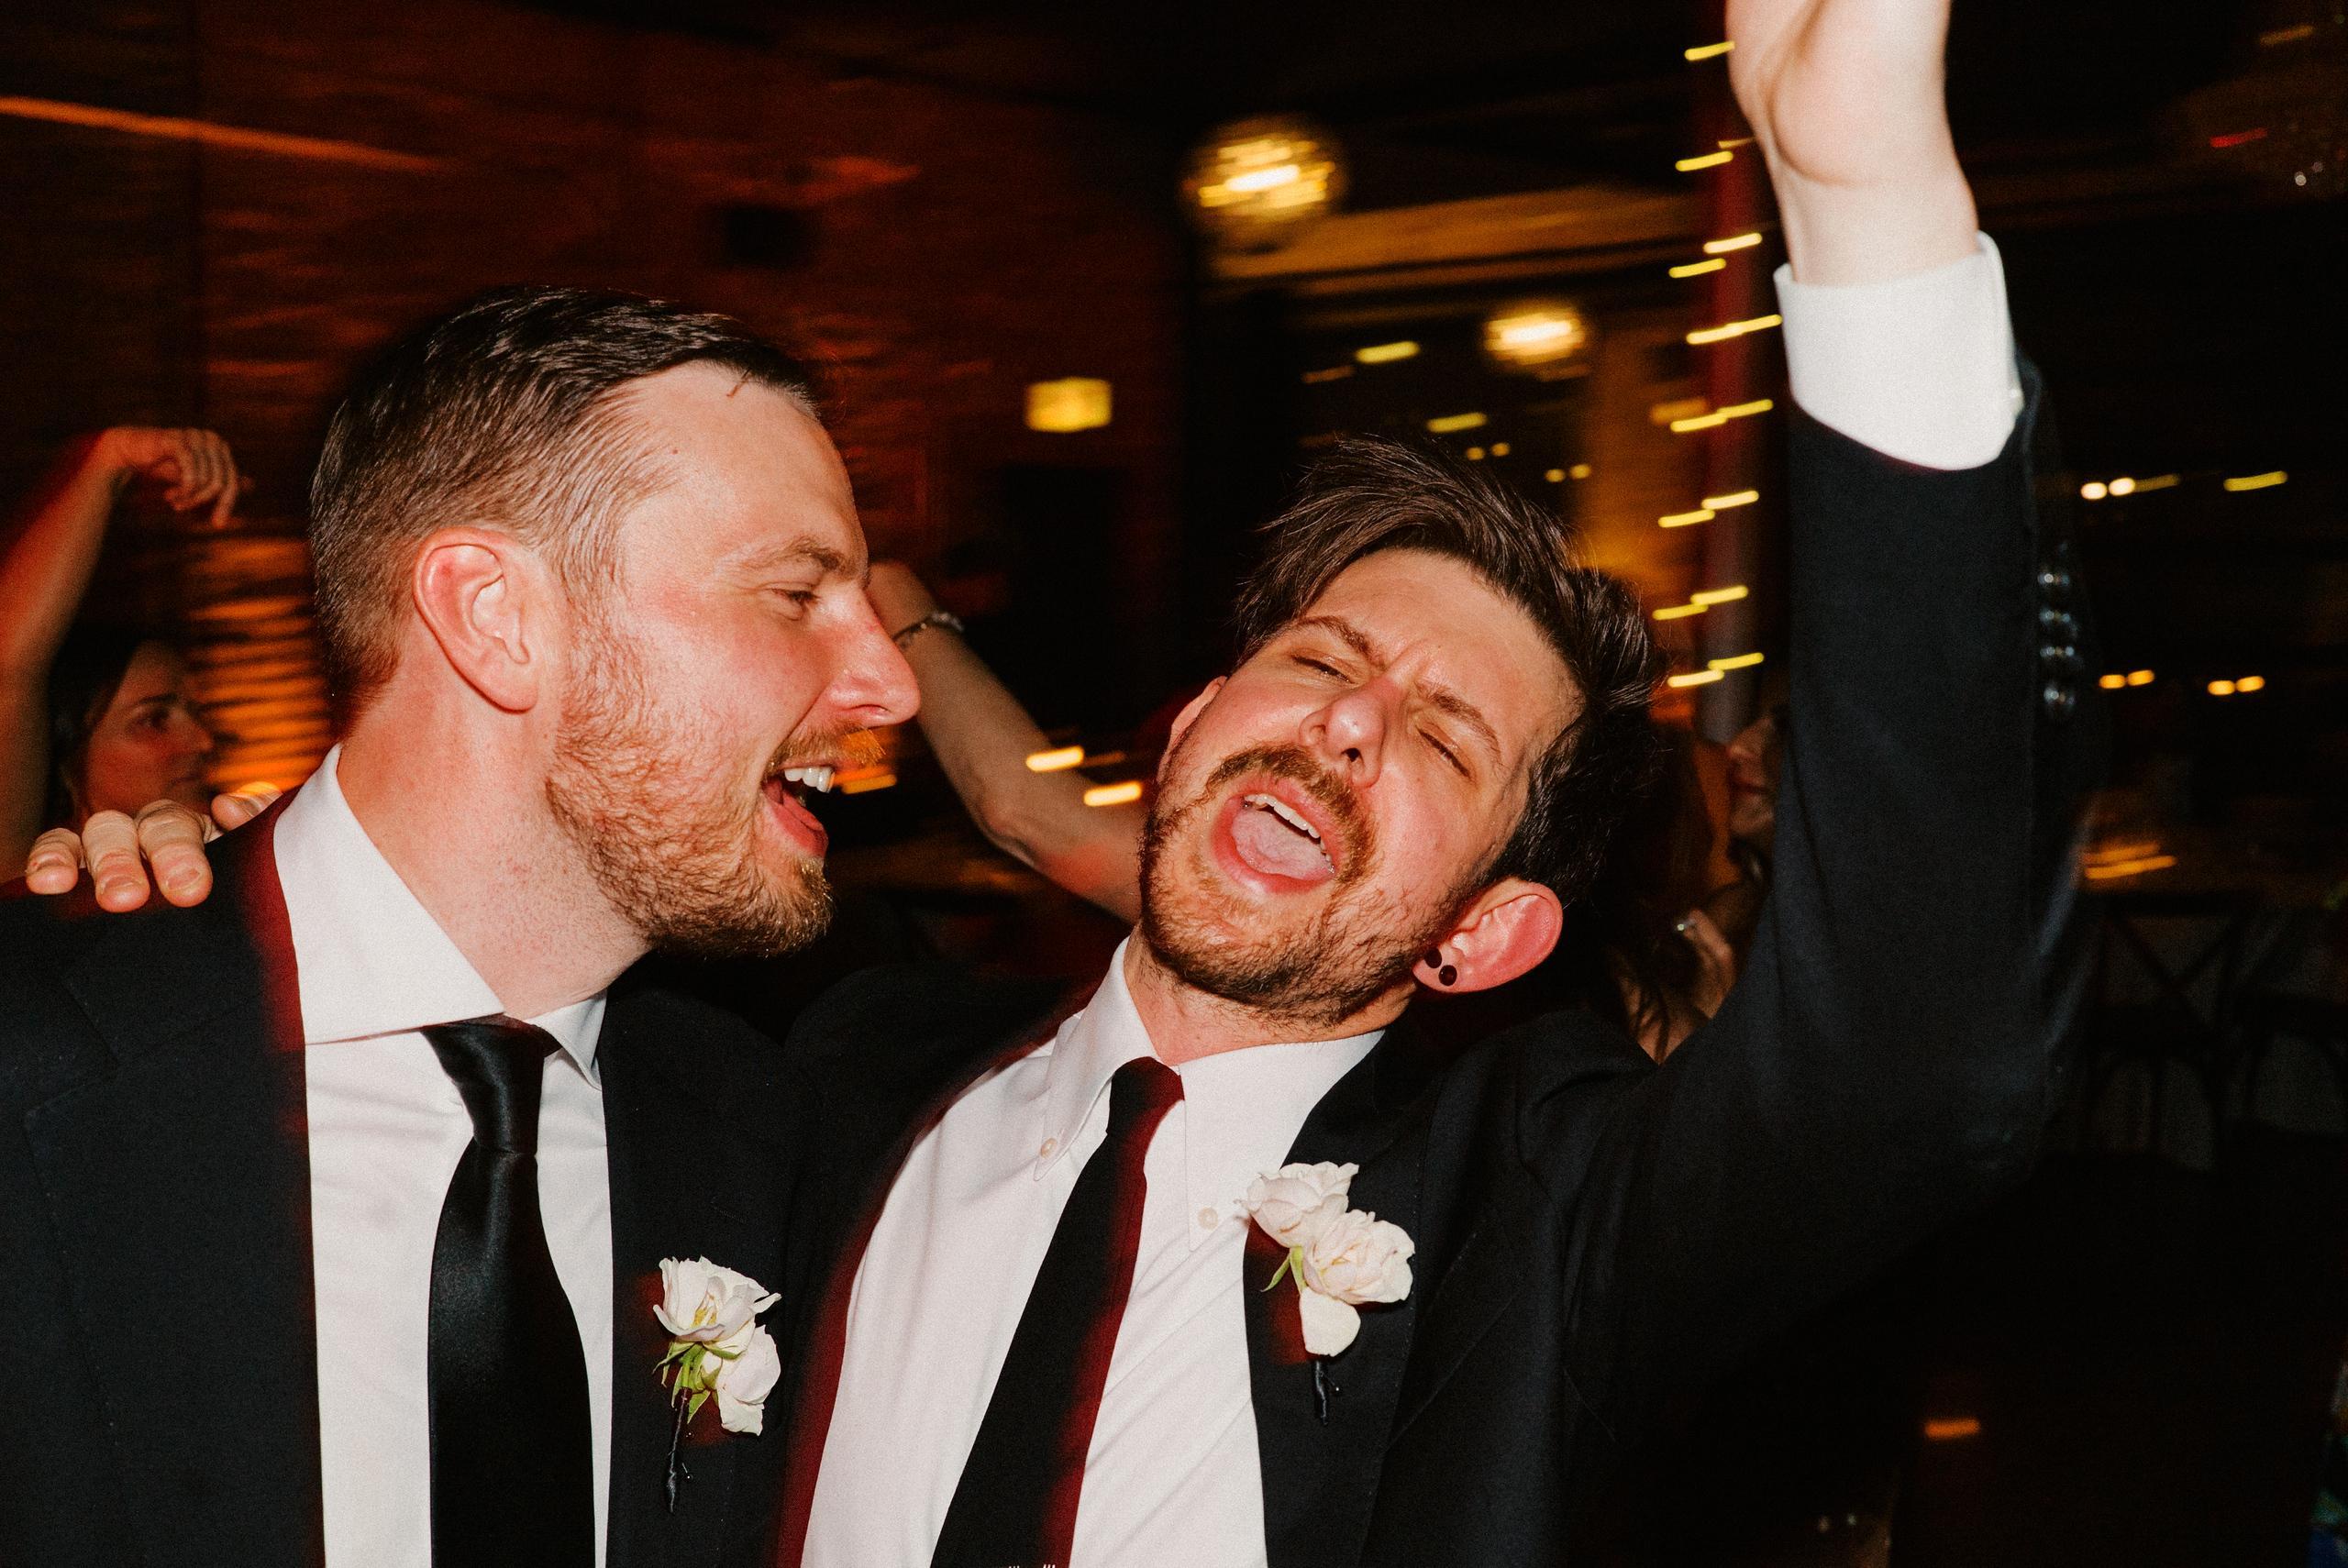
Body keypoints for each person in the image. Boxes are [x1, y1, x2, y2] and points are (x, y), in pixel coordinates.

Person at [0, 288, 916, 1567]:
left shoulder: (756, 1129)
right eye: (794, 592)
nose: (891, 683)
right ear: (493, 614)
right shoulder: (40, 1062)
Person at [0, 426, 240, 879]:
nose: (203, 742)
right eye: (153, 719)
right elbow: (8, 668)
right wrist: (108, 462)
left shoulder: (238, 863)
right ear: (64, 760)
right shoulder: (34, 887)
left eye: (196, 713)